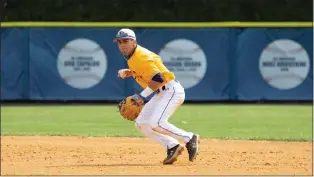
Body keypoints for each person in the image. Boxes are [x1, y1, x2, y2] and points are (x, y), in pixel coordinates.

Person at [114, 28, 200, 165]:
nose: (122, 45)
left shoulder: (140, 56)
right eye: (119, 42)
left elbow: (158, 78)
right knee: (141, 123)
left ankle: (189, 138)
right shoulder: (133, 56)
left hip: (171, 91)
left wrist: (141, 96)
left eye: (125, 41)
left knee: (156, 123)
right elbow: (147, 70)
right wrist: (130, 72)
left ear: (134, 42)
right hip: (162, 92)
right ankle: (172, 146)